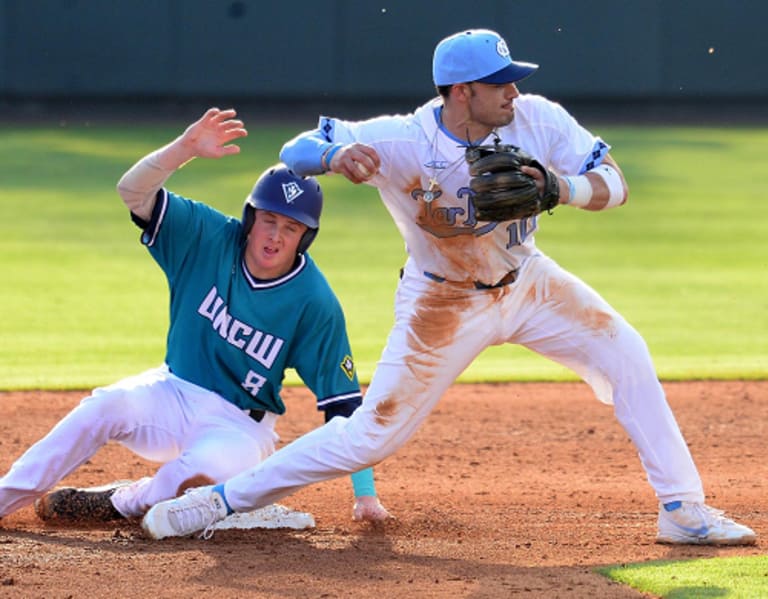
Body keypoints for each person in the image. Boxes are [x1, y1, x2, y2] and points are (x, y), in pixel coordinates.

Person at [141, 30, 755, 545]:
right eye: (500, 82)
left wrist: (558, 189)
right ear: (463, 92)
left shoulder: (538, 119)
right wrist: (337, 156)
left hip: (529, 281)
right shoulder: (403, 140)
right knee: (372, 433)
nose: (514, 90)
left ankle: (681, 510)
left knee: (627, 352)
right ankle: (222, 502)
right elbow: (297, 147)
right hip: (442, 301)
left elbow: (614, 183)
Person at [0, 107, 390, 525]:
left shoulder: (314, 302)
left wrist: (365, 495)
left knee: (184, 490)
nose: (275, 236)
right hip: (172, 393)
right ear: (250, 218)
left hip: (240, 430)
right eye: (268, 220)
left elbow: (344, 408)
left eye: (291, 228)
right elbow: (132, 192)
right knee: (104, 405)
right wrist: (182, 149)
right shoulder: (207, 237)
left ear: (305, 237)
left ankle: (125, 501)